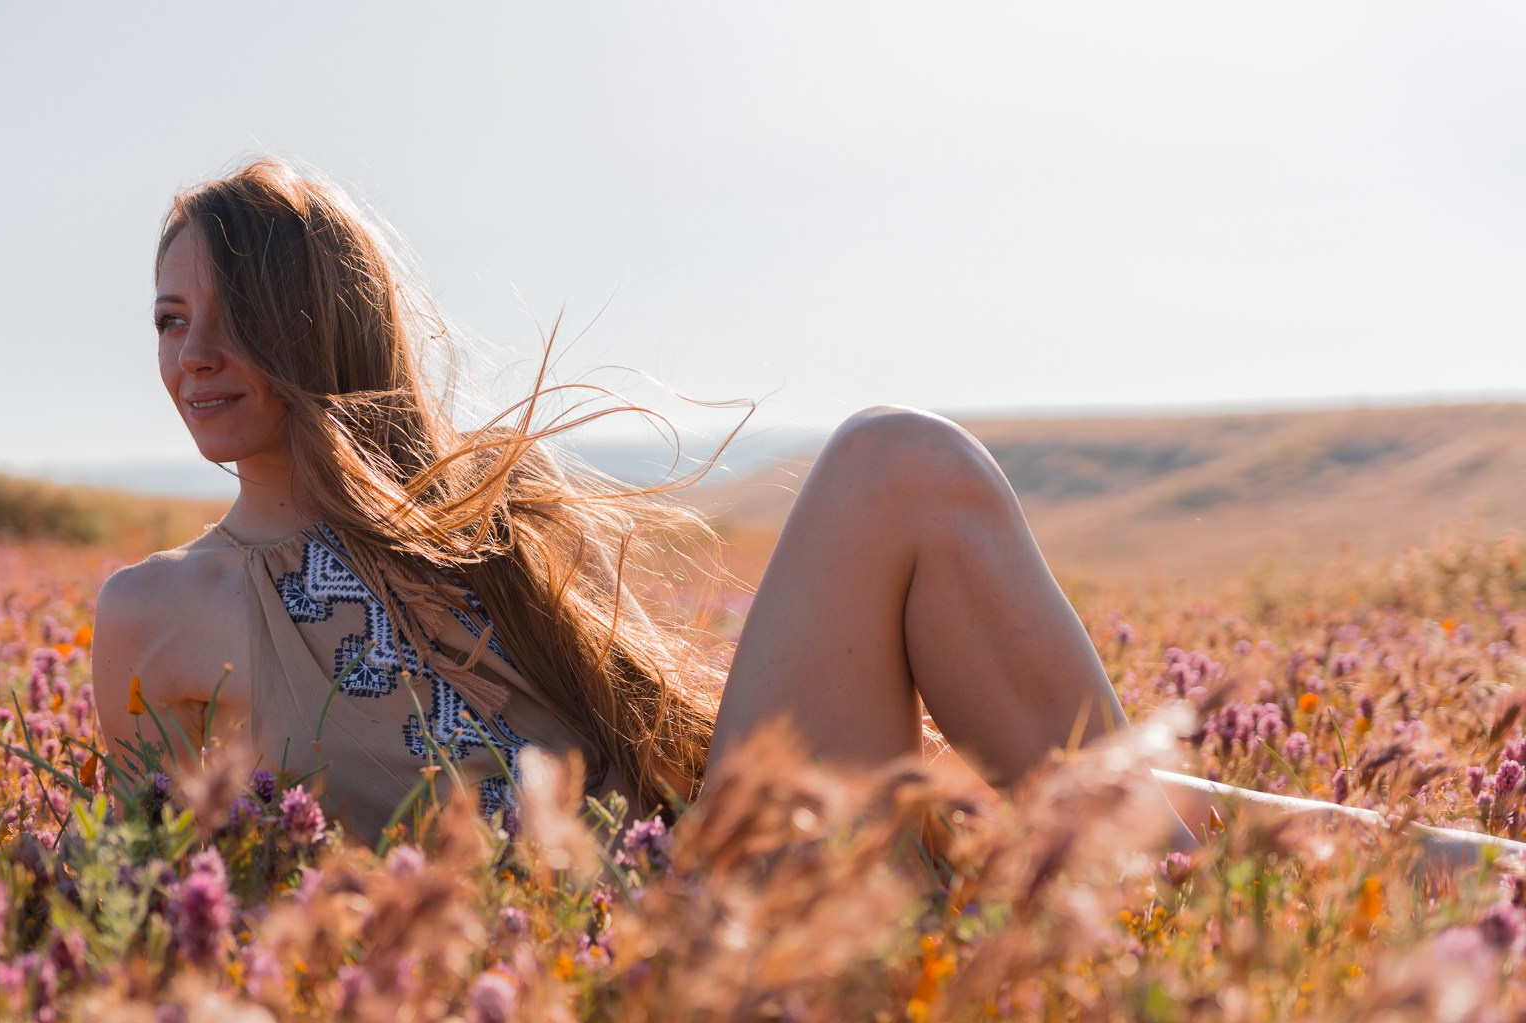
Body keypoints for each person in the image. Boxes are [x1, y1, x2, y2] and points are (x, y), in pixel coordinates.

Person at [90, 158, 1517, 871]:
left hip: (711, 874)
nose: (193, 353)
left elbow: (648, 751)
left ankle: (1441, 869)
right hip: (599, 994)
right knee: (901, 483)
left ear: (319, 316)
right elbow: (148, 891)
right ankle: (1213, 885)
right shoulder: (155, 616)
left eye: (232, 311)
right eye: (168, 319)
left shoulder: (482, 517)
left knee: (904, 465)